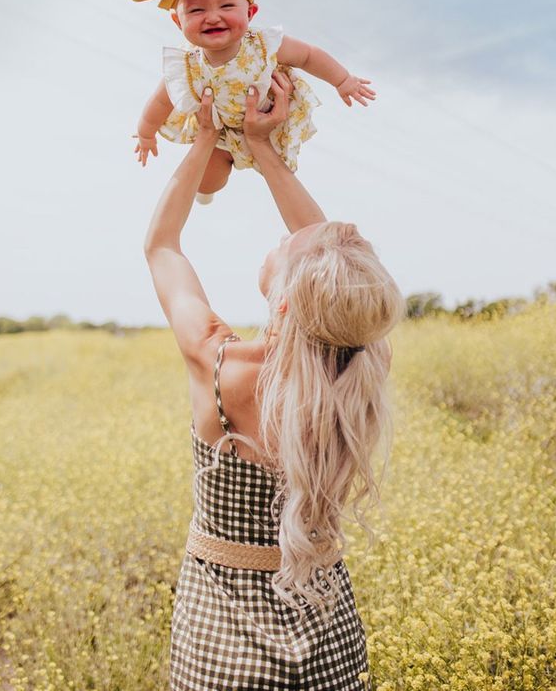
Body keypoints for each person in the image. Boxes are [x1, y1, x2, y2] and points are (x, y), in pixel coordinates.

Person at [144, 71, 405, 690]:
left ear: (284, 302)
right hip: (326, 632)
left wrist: (204, 140)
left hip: (219, 632)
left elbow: (161, 246)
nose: (289, 240)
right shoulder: (363, 362)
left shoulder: (221, 366)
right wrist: (263, 149)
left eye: (290, 249)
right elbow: (339, 276)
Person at [130, 0, 375, 202]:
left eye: (226, 6)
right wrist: (145, 133)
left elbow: (308, 56)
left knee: (277, 175)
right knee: (207, 182)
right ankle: (206, 194)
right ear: (178, 22)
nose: (213, 17)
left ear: (250, 13)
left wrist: (342, 80)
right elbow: (160, 101)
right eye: (197, 11)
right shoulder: (188, 65)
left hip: (268, 123)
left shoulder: (262, 44)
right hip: (219, 133)